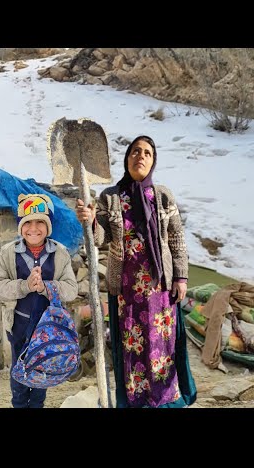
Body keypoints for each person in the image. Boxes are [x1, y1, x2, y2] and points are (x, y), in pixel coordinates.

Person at [75, 135, 197, 408]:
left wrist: (181, 277)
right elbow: (100, 238)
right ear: (127, 158)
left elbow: (176, 238)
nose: (140, 156)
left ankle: (165, 400)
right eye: (135, 151)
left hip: (160, 290)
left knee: (162, 348)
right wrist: (92, 220)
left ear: (153, 162)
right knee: (133, 348)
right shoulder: (112, 197)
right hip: (127, 290)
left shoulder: (163, 196)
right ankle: (137, 401)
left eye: (147, 153)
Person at [0, 193, 77, 408]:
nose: (34, 228)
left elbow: (72, 290)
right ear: (21, 227)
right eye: (28, 222)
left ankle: (37, 405)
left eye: (41, 222)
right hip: (19, 323)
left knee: (42, 368)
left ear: (48, 227)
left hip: (47, 327)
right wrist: (25, 286)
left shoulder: (60, 253)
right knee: (19, 372)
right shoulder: (9, 253)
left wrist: (47, 287)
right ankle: (19, 404)